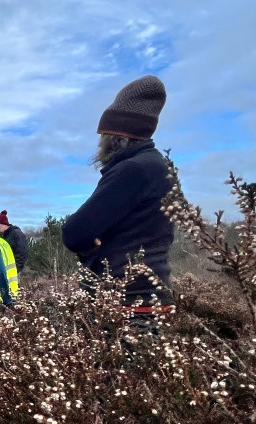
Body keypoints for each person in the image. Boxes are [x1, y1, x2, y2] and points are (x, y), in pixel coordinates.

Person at [61, 75, 174, 313]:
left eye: (102, 136)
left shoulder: (133, 170)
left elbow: (74, 232)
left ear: (115, 138)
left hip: (127, 299)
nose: (99, 144)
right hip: (152, 295)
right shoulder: (158, 166)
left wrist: (90, 244)